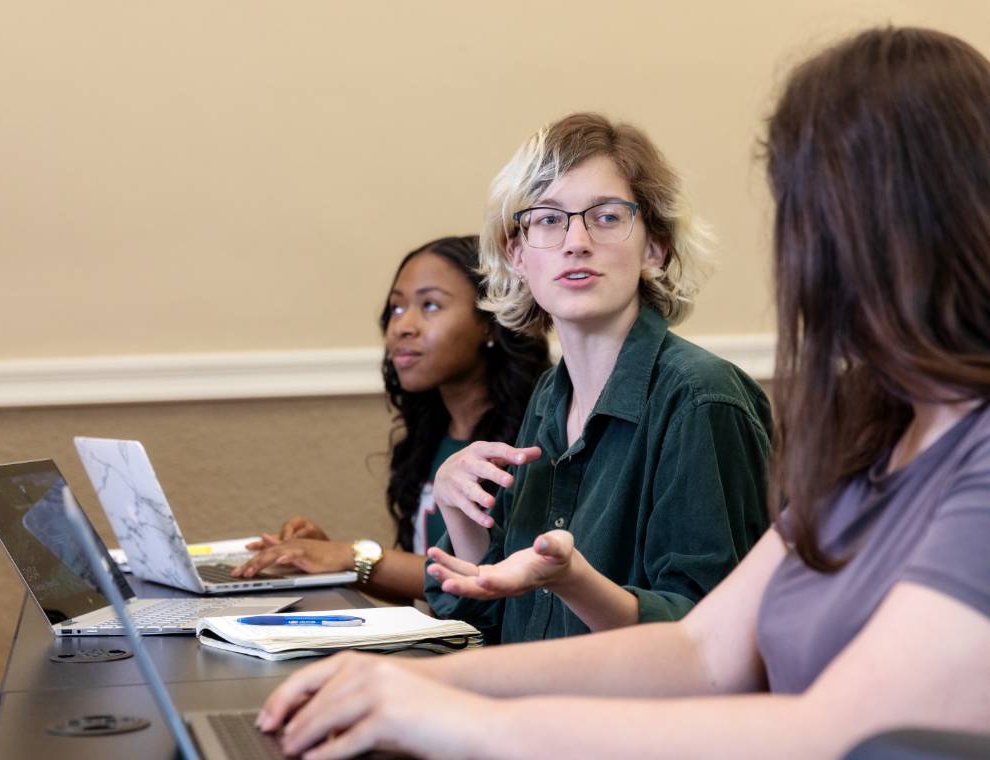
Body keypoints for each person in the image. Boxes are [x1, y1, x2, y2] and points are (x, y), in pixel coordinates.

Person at [257, 27, 990, 759]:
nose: (798, 253)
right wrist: (408, 685)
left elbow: (841, 732)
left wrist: (457, 716)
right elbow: (701, 653)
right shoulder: (874, 436)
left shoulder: (715, 399)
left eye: (811, 212)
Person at [417, 112, 772, 643]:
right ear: (517, 254)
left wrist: (573, 582)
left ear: (654, 248)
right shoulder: (549, 398)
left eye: (606, 217)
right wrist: (456, 506)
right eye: (548, 219)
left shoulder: (702, 399)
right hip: (533, 709)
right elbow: (493, 621)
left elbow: (710, 639)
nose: (576, 241)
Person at [232, 235, 550, 601]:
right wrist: (324, 557)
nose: (402, 327)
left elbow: (499, 581)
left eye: (430, 305)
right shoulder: (430, 436)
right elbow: (433, 588)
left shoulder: (532, 441)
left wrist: (353, 558)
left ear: (489, 321)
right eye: (397, 309)